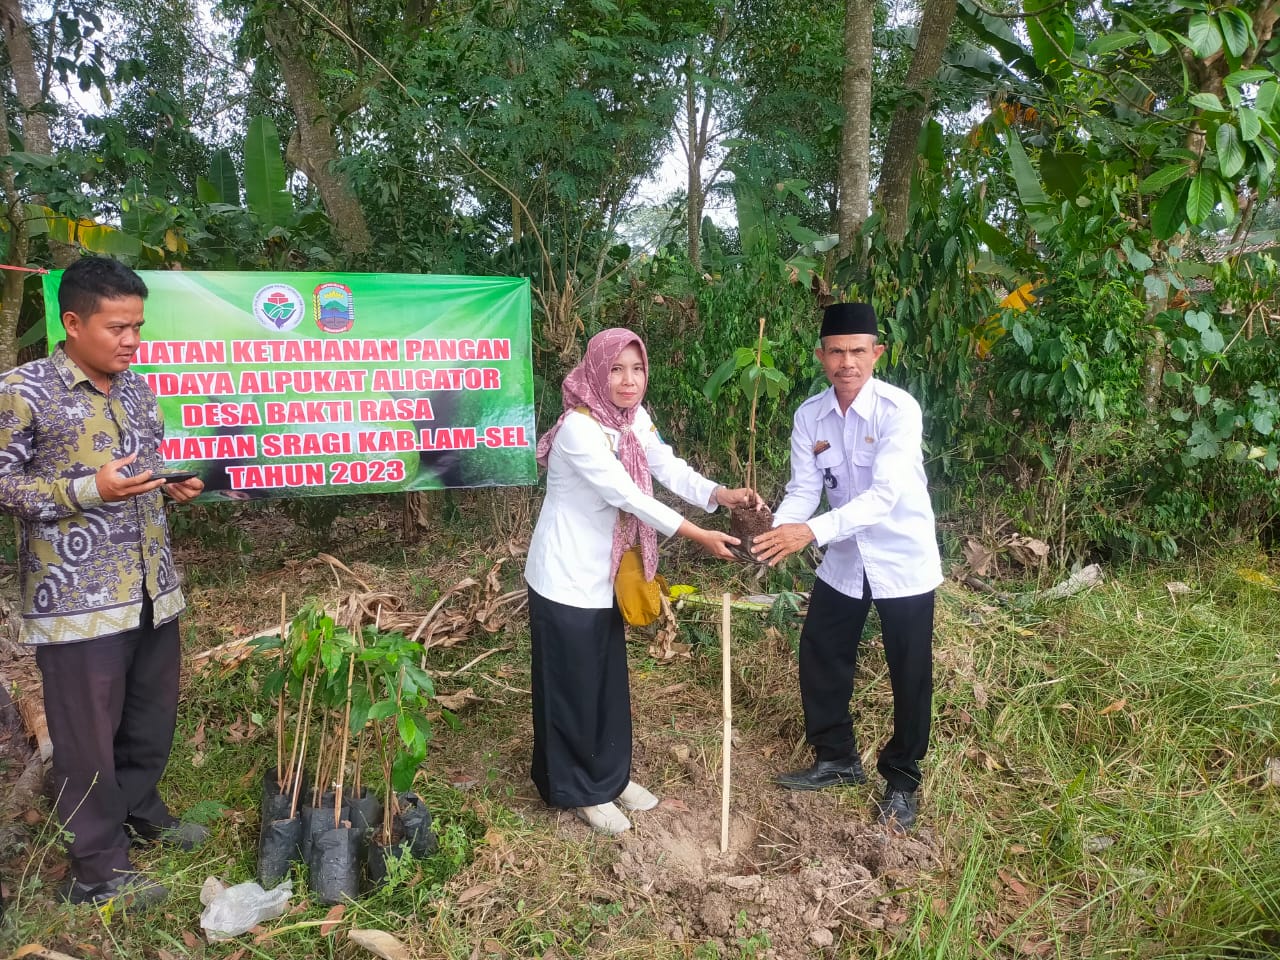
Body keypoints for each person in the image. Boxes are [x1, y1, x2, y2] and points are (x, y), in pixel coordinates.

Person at [0, 257, 207, 908]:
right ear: (72, 322)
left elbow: (144, 466)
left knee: (149, 718)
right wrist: (88, 489)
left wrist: (173, 483)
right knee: (86, 737)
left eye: (137, 327)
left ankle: (141, 812)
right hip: (76, 600)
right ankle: (98, 871)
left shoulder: (138, 388)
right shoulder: (23, 390)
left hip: (151, 584)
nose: (131, 341)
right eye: (117, 327)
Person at [524, 328, 758, 836]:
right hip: (564, 576)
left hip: (607, 574)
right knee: (571, 684)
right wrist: (698, 533)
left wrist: (720, 494)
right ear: (595, 371)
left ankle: (610, 776)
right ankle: (577, 789)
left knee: (606, 679)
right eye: (616, 369)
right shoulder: (578, 431)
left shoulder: (633, 421)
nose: (629, 381)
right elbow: (629, 495)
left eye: (638, 369)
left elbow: (666, 465)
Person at [751, 302, 942, 832]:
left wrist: (808, 531)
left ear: (877, 353)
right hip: (844, 558)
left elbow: (883, 498)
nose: (847, 363)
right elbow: (804, 489)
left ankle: (902, 780)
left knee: (910, 670)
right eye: (836, 352)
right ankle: (836, 759)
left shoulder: (897, 410)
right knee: (821, 650)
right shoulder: (809, 415)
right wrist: (779, 532)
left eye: (858, 351)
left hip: (901, 555)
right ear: (821, 356)